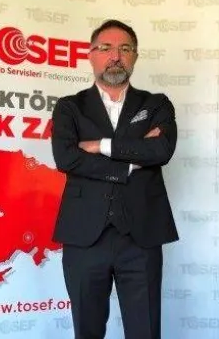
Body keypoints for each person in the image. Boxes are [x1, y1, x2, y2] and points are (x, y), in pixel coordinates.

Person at [50, 19, 178, 339]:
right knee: (87, 331)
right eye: (105, 48)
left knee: (145, 332)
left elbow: (161, 150)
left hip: (142, 237)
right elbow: (67, 158)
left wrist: (101, 146)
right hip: (84, 236)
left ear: (135, 56)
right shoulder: (69, 107)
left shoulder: (156, 104)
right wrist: (131, 163)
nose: (115, 56)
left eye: (124, 48)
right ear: (91, 55)